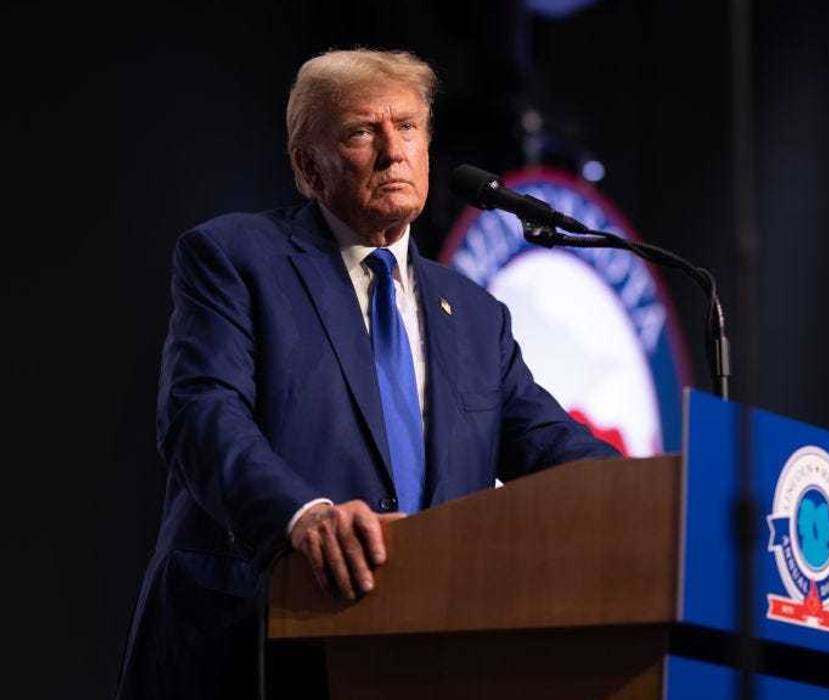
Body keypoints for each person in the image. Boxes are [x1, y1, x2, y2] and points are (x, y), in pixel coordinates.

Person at [115, 49, 616, 699]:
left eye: (407, 128)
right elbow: (202, 415)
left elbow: (555, 451)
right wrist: (301, 516)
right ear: (307, 166)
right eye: (361, 132)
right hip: (253, 643)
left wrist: (661, 494)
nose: (392, 152)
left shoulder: (474, 315)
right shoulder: (236, 259)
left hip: (422, 657)